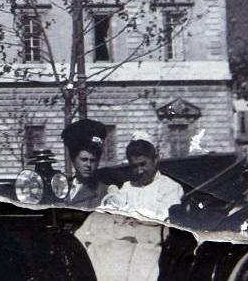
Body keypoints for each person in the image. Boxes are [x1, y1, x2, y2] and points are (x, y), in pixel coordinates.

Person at [76, 137, 186, 281]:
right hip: (121, 241)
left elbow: (161, 218)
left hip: (150, 244)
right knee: (97, 248)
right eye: (134, 166)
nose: (139, 171)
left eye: (143, 164)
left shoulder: (170, 187)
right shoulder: (128, 187)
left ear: (155, 160)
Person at [60, 118, 110, 208]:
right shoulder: (62, 187)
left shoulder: (104, 193)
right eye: (84, 159)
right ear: (73, 160)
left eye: (93, 160)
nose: (88, 165)